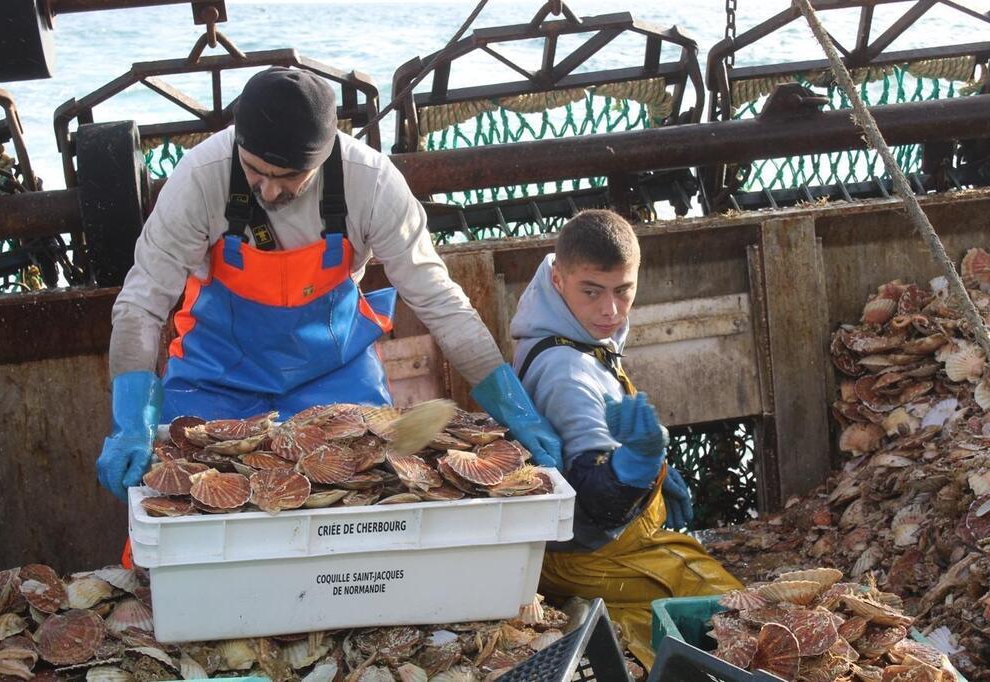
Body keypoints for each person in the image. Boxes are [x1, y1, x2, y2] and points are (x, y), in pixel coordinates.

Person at [96, 66, 561, 501]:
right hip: (216, 372)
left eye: (290, 177)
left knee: (368, 502)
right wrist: (130, 422)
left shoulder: (372, 184)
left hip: (333, 372)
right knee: (178, 493)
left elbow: (440, 301)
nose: (271, 191)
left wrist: (513, 407)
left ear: (326, 154)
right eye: (255, 171)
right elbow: (141, 304)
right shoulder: (199, 178)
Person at [510, 209, 741, 668]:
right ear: (559, 278)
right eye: (591, 291)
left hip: (590, 545)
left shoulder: (567, 328)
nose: (610, 310)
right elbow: (596, 498)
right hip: (592, 556)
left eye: (623, 291)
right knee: (735, 613)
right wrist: (636, 471)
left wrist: (657, 473)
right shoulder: (567, 372)